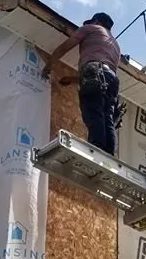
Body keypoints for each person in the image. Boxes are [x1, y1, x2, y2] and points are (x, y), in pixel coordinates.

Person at [42, 12, 123, 156]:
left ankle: (96, 149)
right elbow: (102, 76)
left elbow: (64, 47)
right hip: (113, 80)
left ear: (97, 21)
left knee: (94, 113)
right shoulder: (115, 45)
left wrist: (48, 66)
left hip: (96, 72)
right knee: (107, 117)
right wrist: (73, 79)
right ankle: (108, 154)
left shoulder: (90, 28)